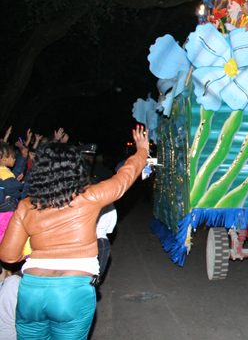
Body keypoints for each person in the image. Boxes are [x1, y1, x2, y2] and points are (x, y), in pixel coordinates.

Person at [0, 125, 149, 339]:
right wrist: (142, 151)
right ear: (76, 168)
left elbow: (8, 256)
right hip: (72, 291)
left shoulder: (26, 206)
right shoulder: (89, 197)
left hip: (31, 291)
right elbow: (124, 178)